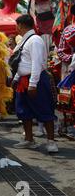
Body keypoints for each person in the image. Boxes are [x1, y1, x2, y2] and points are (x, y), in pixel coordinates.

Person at [12, 14, 58, 153]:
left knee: (44, 109)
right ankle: (29, 139)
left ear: (21, 25)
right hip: (23, 80)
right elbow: (21, 63)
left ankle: (51, 141)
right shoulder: (23, 41)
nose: (16, 28)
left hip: (35, 79)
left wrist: (33, 84)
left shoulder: (35, 40)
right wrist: (15, 79)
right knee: (23, 111)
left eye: (16, 25)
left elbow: (37, 64)